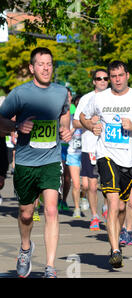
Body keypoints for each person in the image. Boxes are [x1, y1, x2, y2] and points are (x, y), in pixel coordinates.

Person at [0, 47, 72, 278]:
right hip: (25, 162)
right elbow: (0, 122)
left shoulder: (61, 92)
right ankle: (25, 248)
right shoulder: (19, 94)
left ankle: (49, 267)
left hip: (51, 160)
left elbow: (64, 115)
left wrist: (65, 129)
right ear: (32, 68)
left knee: (51, 210)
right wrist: (16, 127)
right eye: (41, 64)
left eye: (49, 64)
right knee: (26, 213)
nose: (46, 68)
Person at [80, 60, 132, 268]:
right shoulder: (100, 98)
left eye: (120, 75)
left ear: (128, 75)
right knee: (113, 203)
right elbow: (82, 117)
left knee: (122, 206)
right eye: (113, 76)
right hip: (106, 156)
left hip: (130, 160)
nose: (117, 80)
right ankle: (114, 250)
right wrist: (91, 126)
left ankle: (117, 242)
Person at [73, 68, 109, 230]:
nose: (102, 81)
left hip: (109, 147)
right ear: (94, 81)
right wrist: (90, 122)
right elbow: (75, 123)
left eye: (105, 78)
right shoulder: (87, 98)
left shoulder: (113, 98)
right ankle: (94, 216)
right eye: (99, 78)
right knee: (92, 186)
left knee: (109, 185)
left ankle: (107, 209)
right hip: (90, 147)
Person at [66, 93, 84, 218]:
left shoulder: (89, 120)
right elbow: (65, 135)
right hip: (73, 153)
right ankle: (77, 208)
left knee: (86, 186)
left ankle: (84, 197)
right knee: (76, 184)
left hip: (86, 155)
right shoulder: (70, 119)